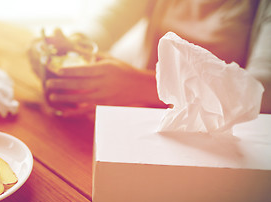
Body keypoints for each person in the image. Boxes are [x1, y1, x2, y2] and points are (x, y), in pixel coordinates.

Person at [32, 0, 271, 117]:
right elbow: (106, 22)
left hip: (216, 137)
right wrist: (69, 44)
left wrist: (142, 85)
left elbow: (262, 93)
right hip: (141, 116)